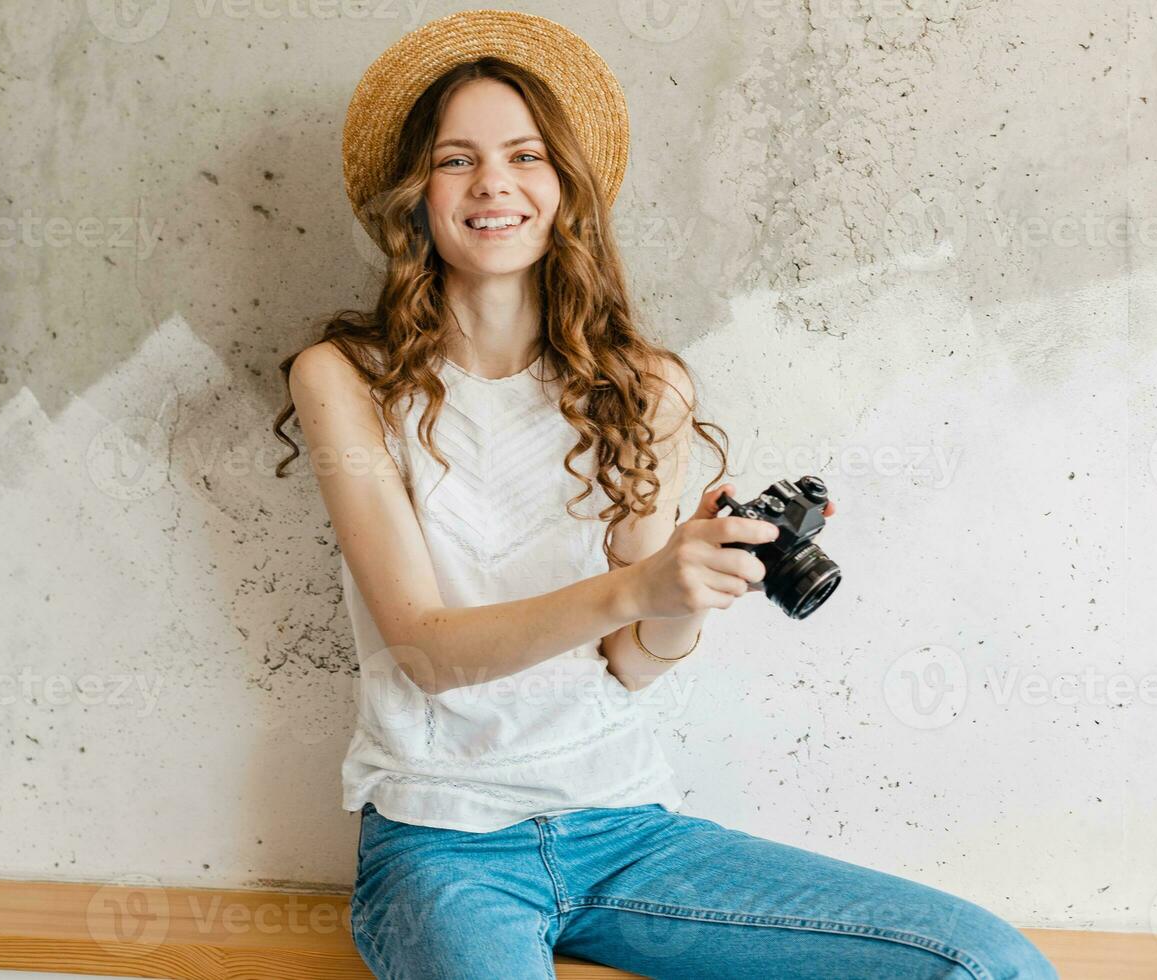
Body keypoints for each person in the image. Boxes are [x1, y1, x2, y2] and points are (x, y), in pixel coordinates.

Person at [271, 10, 1058, 979]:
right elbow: (426, 648)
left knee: (986, 964)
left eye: (525, 154)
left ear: (564, 188)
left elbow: (635, 663)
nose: (493, 184)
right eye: (455, 159)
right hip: (444, 843)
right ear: (416, 194)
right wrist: (637, 587)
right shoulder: (347, 378)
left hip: (626, 827)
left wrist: (683, 590)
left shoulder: (646, 387)